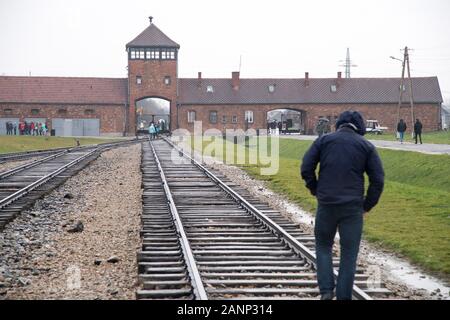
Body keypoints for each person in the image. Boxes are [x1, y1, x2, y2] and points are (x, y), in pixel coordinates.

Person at [301, 110, 384, 300]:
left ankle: (326, 291)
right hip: (353, 207)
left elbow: (306, 167)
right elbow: (378, 180)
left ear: (339, 124)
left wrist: (315, 190)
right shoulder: (366, 146)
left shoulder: (323, 141)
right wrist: (366, 205)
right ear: (359, 126)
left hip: (327, 204)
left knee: (323, 246)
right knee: (349, 254)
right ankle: (344, 297)